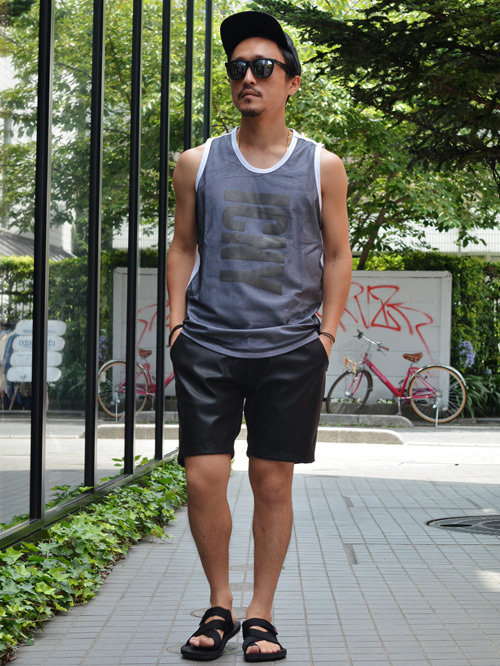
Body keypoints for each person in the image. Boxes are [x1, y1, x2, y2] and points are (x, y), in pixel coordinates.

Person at [167, 10, 352, 662]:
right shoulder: (196, 163)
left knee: (273, 481)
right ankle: (219, 602)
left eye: (263, 66)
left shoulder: (322, 166)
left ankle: (259, 613)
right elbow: (182, 245)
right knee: (202, 477)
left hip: (290, 349)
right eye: (238, 67)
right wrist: (176, 325)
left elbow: (338, 255)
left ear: (290, 82)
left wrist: (324, 337)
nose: (248, 77)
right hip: (209, 344)